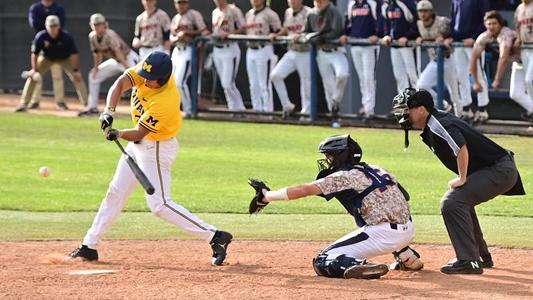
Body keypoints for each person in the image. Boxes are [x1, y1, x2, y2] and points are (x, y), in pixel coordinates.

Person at [68, 51, 233, 266]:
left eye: (150, 79)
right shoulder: (148, 72)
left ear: (163, 79)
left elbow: (138, 133)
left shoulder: (166, 100)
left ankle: (216, 236)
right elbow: (118, 84)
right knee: (115, 192)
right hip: (138, 147)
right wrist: (109, 112)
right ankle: (89, 246)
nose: (144, 80)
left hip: (156, 147)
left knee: (159, 205)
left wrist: (117, 133)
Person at [250, 134, 423, 279]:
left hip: (384, 235)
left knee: (323, 260)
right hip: (408, 230)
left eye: (330, 156)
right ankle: (407, 256)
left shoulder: (343, 176)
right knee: (375, 217)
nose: (327, 160)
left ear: (341, 155)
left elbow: (303, 190)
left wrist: (267, 196)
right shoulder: (375, 168)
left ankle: (362, 266)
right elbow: (404, 197)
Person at [392, 88, 525, 274]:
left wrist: (462, 178)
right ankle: (480, 256)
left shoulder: (438, 123)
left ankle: (469, 261)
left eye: (407, 110)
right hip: (498, 168)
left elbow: (460, 147)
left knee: (452, 201)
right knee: (461, 200)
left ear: (421, 109)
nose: (403, 114)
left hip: (499, 170)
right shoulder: (435, 121)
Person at [15, 15, 87, 112]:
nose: (53, 28)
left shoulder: (66, 37)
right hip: (46, 58)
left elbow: (74, 54)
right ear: (46, 26)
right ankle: (24, 104)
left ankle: (87, 104)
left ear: (59, 26)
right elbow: (35, 54)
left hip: (64, 58)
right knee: (32, 77)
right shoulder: (41, 36)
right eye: (50, 26)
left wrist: (75, 70)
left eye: (55, 26)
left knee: (77, 77)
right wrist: (34, 70)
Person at [296, 0, 349, 122]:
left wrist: (319, 37)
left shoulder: (333, 11)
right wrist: (307, 37)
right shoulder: (311, 14)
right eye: (317, 1)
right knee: (329, 86)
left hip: (336, 51)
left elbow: (335, 32)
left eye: (321, 1)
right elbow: (305, 32)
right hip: (322, 52)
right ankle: (334, 118)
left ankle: (336, 100)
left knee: (343, 75)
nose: (319, 3)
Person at [80, 13, 140, 117]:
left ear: (105, 25)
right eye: (95, 24)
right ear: (91, 25)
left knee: (138, 81)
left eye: (99, 24)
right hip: (115, 61)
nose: (97, 26)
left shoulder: (110, 34)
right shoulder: (92, 36)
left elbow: (119, 52)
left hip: (128, 58)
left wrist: (128, 69)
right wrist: (96, 68)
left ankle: (141, 109)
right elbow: (97, 53)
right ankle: (92, 107)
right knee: (93, 76)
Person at [470, 11, 519, 123]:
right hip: (518, 64)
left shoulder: (505, 33)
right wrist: (476, 82)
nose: (491, 26)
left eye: (494, 23)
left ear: (500, 24)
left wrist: (497, 79)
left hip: (527, 58)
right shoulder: (484, 36)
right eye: (489, 23)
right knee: (516, 94)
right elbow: (473, 58)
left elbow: (503, 57)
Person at [414, 0, 461, 116]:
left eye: (425, 11)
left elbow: (455, 33)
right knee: (421, 86)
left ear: (431, 11)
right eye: (420, 11)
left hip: (448, 59)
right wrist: (421, 39)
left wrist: (448, 38)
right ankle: (444, 105)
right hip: (434, 61)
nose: (423, 14)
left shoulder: (442, 21)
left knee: (454, 92)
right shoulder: (419, 24)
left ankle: (460, 116)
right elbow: (418, 35)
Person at [339, 0, 382, 120]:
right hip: (355, 44)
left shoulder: (373, 3)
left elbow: (380, 21)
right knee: (362, 78)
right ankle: (366, 106)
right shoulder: (351, 4)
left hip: (369, 45)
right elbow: (348, 23)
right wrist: (344, 34)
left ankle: (369, 109)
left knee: (369, 77)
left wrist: (377, 34)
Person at [269, 0, 312, 119]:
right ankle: (287, 105)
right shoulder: (288, 12)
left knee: (306, 83)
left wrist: (301, 35)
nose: (293, 1)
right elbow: (286, 28)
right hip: (292, 51)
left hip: (305, 52)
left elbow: (314, 31)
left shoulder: (309, 12)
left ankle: (307, 113)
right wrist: (277, 35)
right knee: (275, 75)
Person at [450, 0, 490, 122]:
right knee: (461, 76)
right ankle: (466, 108)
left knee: (478, 74)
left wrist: (474, 37)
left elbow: (486, 20)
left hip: (475, 42)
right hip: (458, 43)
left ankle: (483, 109)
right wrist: (452, 36)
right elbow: (453, 19)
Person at [170, 0, 209, 118]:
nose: (181, 5)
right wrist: (177, 37)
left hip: (189, 50)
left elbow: (204, 32)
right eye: (178, 2)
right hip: (177, 50)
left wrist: (188, 32)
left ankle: (189, 110)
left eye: (183, 2)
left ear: (187, 3)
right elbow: (171, 38)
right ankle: (179, 109)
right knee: (172, 83)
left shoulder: (194, 15)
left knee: (180, 82)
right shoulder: (175, 18)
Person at [27, 0, 66, 110]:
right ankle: (35, 101)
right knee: (37, 74)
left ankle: (60, 101)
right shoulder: (35, 8)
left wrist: (51, 34)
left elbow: (61, 23)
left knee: (57, 75)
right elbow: (35, 24)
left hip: (56, 46)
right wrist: (47, 33)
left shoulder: (58, 8)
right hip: (41, 45)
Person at [244, 0, 282, 113]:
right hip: (250, 49)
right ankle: (257, 109)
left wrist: (275, 34)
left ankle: (268, 111)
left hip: (264, 49)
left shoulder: (270, 14)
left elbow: (279, 31)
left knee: (264, 84)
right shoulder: (248, 14)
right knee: (253, 84)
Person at [211, 0, 246, 111]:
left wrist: (230, 34)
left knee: (227, 83)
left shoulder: (233, 10)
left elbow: (243, 28)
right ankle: (233, 109)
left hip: (230, 48)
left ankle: (240, 108)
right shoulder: (215, 12)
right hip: (217, 49)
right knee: (225, 84)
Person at [381, 0, 419, 94]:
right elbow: (386, 23)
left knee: (414, 77)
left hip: (408, 45)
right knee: (399, 76)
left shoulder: (407, 3)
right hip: (394, 45)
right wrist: (387, 35)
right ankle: (404, 105)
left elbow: (417, 21)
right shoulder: (386, 4)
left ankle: (426, 104)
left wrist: (408, 36)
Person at [514, 0, 533, 122]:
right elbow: (518, 26)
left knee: (529, 80)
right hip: (525, 48)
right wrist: (518, 39)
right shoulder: (519, 8)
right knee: (528, 83)